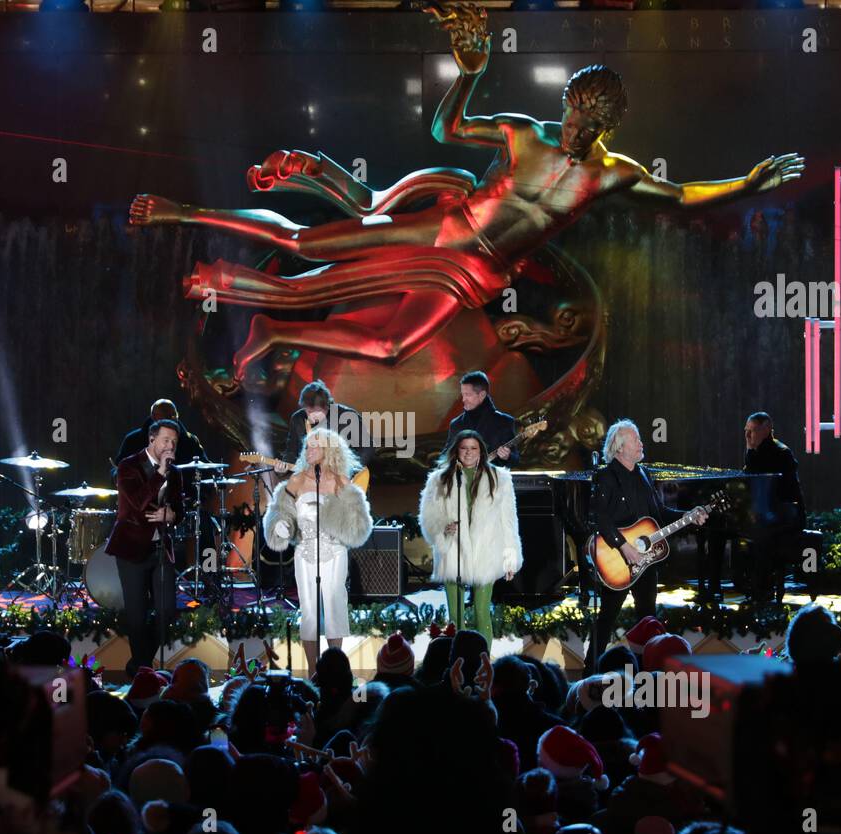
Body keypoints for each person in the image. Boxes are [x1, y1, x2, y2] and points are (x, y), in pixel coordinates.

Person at [129, 5, 802, 382]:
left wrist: (747, 182)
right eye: (570, 114)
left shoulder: (611, 174)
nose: (572, 129)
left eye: (586, 125)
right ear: (564, 105)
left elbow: (680, 196)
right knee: (305, 244)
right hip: (444, 229)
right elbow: (445, 126)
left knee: (394, 347)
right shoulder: (525, 134)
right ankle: (181, 212)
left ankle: (274, 328)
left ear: (607, 127)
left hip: (475, 273)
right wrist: (468, 75)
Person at [589, 420, 706, 672]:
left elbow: (659, 514)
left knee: (648, 619)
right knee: (606, 619)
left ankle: (647, 674)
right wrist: (623, 546)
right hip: (617, 560)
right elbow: (599, 517)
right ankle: (591, 673)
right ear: (620, 447)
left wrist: (690, 515)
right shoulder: (606, 476)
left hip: (646, 561)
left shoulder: (644, 474)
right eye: (635, 440)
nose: (641, 443)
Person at [263, 427, 374, 650]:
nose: (309, 450)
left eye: (315, 446)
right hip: (305, 553)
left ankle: (334, 665)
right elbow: (280, 511)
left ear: (329, 450)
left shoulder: (342, 482)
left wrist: (336, 519)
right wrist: (282, 525)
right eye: (307, 446)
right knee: (309, 611)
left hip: (334, 551)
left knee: (335, 606)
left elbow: (358, 523)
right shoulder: (295, 481)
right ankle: (313, 672)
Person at [418, 429, 522, 640]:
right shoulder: (440, 479)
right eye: (464, 448)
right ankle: (458, 663)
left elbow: (509, 521)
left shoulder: (499, 479)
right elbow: (428, 516)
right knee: (456, 617)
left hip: (486, 550)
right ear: (456, 451)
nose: (468, 453)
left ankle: (483, 666)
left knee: (482, 612)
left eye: (473, 448)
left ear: (481, 451)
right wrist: (443, 528)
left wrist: (511, 558)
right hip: (453, 550)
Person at [104, 419, 186, 676]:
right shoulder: (128, 466)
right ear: (152, 440)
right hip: (131, 549)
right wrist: (160, 472)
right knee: (137, 618)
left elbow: (179, 510)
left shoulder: (177, 472)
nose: (170, 446)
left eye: (174, 442)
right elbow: (138, 502)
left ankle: (139, 666)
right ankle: (142, 672)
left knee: (167, 613)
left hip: (161, 549)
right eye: (165, 440)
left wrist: (172, 515)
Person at [704, 412, 806, 602]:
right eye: (746, 431)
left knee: (762, 534)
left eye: (752, 431)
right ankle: (714, 587)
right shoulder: (754, 450)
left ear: (766, 430)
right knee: (716, 530)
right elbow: (748, 481)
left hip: (784, 514)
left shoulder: (781, 453)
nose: (747, 436)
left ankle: (762, 590)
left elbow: (777, 492)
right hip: (760, 513)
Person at [275, 380, 372, 479]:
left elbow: (368, 447)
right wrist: (283, 467)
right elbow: (291, 451)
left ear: (327, 406)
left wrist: (352, 471)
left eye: (317, 412)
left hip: (347, 479)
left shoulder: (347, 416)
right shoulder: (298, 419)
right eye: (308, 411)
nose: (311, 415)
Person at [444, 370, 518, 466]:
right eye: (463, 394)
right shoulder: (456, 424)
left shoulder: (504, 422)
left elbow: (515, 459)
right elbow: (445, 456)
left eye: (468, 395)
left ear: (482, 395)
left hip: (492, 479)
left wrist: (507, 456)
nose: (463, 399)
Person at [115, 399, 207, 467]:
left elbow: (205, 467)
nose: (173, 420)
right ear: (154, 417)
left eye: (175, 416)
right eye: (167, 416)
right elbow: (117, 468)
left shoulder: (189, 441)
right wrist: (117, 476)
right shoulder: (133, 440)